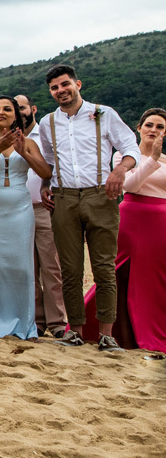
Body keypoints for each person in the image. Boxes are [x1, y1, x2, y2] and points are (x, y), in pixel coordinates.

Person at [37, 64, 140, 352]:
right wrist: (46, 184)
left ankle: (107, 334)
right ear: (51, 92)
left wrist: (120, 170)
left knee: (104, 267)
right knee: (69, 268)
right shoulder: (47, 123)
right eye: (55, 88)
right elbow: (49, 161)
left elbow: (131, 147)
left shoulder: (104, 114)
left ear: (77, 84)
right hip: (64, 198)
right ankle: (75, 331)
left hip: (101, 195)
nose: (61, 91)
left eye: (65, 84)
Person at [81, 109, 166, 351]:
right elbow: (129, 185)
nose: (154, 130)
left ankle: (153, 328)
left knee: (156, 277)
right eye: (149, 124)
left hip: (161, 222)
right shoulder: (124, 156)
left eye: (160, 127)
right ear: (138, 128)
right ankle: (110, 329)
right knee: (121, 271)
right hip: (131, 218)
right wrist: (151, 160)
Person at [0, 96, 52, 340]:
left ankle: (21, 321)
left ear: (17, 115)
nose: (1, 112)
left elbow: (46, 172)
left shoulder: (27, 141)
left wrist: (22, 152)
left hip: (20, 208)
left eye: (7, 109)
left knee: (20, 264)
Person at [15, 94, 67, 337]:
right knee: (28, 269)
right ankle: (36, 322)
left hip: (44, 208)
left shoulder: (44, 134)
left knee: (52, 268)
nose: (20, 112)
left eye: (23, 107)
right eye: (15, 109)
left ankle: (58, 323)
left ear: (33, 108)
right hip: (16, 209)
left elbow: (57, 166)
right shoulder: (6, 138)